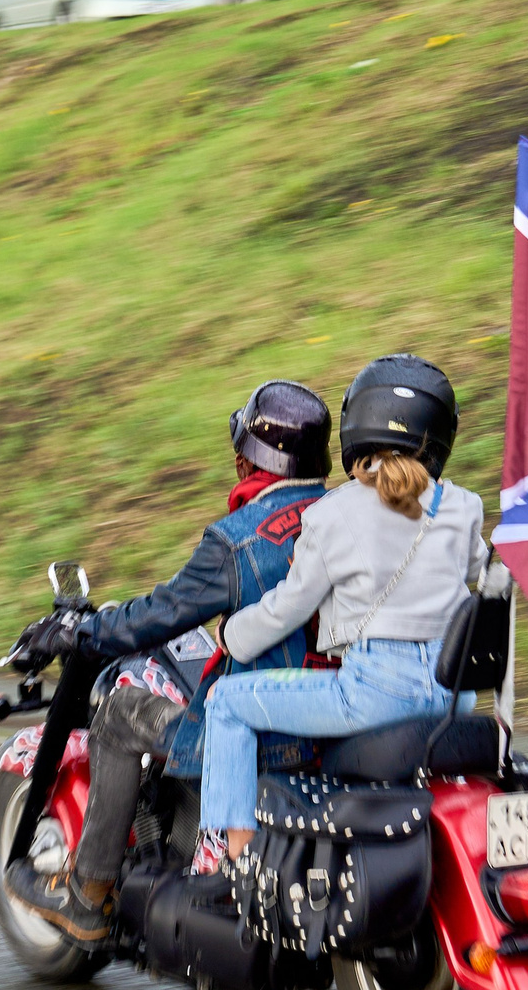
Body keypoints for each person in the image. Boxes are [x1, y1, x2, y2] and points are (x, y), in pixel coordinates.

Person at [3, 381, 334, 944]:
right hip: (332, 713)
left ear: (242, 461)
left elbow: (159, 615)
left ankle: (88, 894)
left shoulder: (236, 541)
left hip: (262, 730)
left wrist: (82, 629)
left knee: (118, 715)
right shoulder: (344, 515)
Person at [198, 356, 487, 862]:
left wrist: (232, 636)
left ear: (356, 427)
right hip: (454, 696)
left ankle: (233, 860)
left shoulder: (331, 513)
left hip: (373, 694)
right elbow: (487, 580)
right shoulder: (463, 505)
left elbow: (287, 608)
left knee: (226, 700)